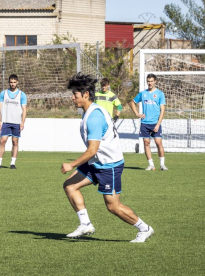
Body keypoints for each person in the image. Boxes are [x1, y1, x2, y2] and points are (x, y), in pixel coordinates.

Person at [61, 73, 154, 242]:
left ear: (86, 94)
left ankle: (144, 228)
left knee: (113, 206)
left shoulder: (94, 117)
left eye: (75, 95)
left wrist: (72, 164)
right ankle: (86, 224)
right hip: (96, 162)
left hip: (108, 166)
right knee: (70, 186)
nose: (72, 98)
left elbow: (92, 149)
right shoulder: (89, 111)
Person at [129, 73, 168, 171]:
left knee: (158, 142)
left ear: (155, 81)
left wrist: (158, 124)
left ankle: (162, 165)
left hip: (155, 123)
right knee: (146, 143)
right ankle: (151, 165)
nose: (150, 83)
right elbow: (132, 102)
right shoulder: (143, 93)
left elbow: (162, 110)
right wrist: (137, 114)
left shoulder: (160, 94)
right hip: (145, 123)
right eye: (148, 81)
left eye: (151, 81)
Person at [0, 74, 27, 169]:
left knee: (15, 142)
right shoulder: (3, 93)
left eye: (14, 82)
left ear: (17, 82)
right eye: (11, 82)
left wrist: (22, 122)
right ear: (9, 82)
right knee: (2, 141)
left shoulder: (21, 94)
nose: (13, 84)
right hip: (6, 122)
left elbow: (24, 109)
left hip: (16, 123)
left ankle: (12, 163)